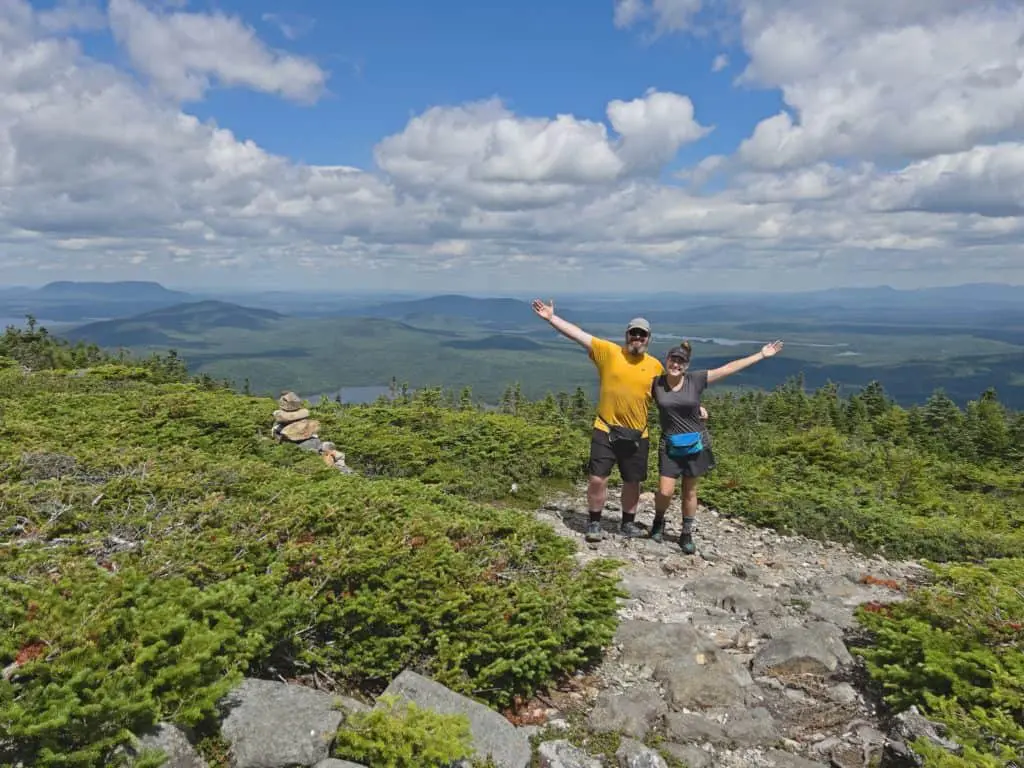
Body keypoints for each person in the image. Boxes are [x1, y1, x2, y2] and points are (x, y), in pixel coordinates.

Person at [532, 298, 665, 542]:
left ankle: (627, 523)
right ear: (626, 335)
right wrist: (552, 318)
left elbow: (670, 396)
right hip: (605, 428)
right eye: (633, 333)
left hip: (639, 433)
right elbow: (578, 335)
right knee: (597, 478)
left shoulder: (656, 366)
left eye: (642, 335)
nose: (637, 338)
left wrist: (696, 407)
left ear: (648, 339)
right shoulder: (609, 352)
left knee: (632, 481)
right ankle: (594, 522)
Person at [650, 339, 784, 554]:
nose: (676, 364)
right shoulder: (655, 383)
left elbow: (727, 369)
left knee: (690, 491)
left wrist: (760, 355)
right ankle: (659, 521)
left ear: (686, 365)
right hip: (669, 444)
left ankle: (686, 533)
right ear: (666, 360)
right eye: (673, 360)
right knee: (665, 491)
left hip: (695, 443)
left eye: (680, 362)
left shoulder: (695, 380)